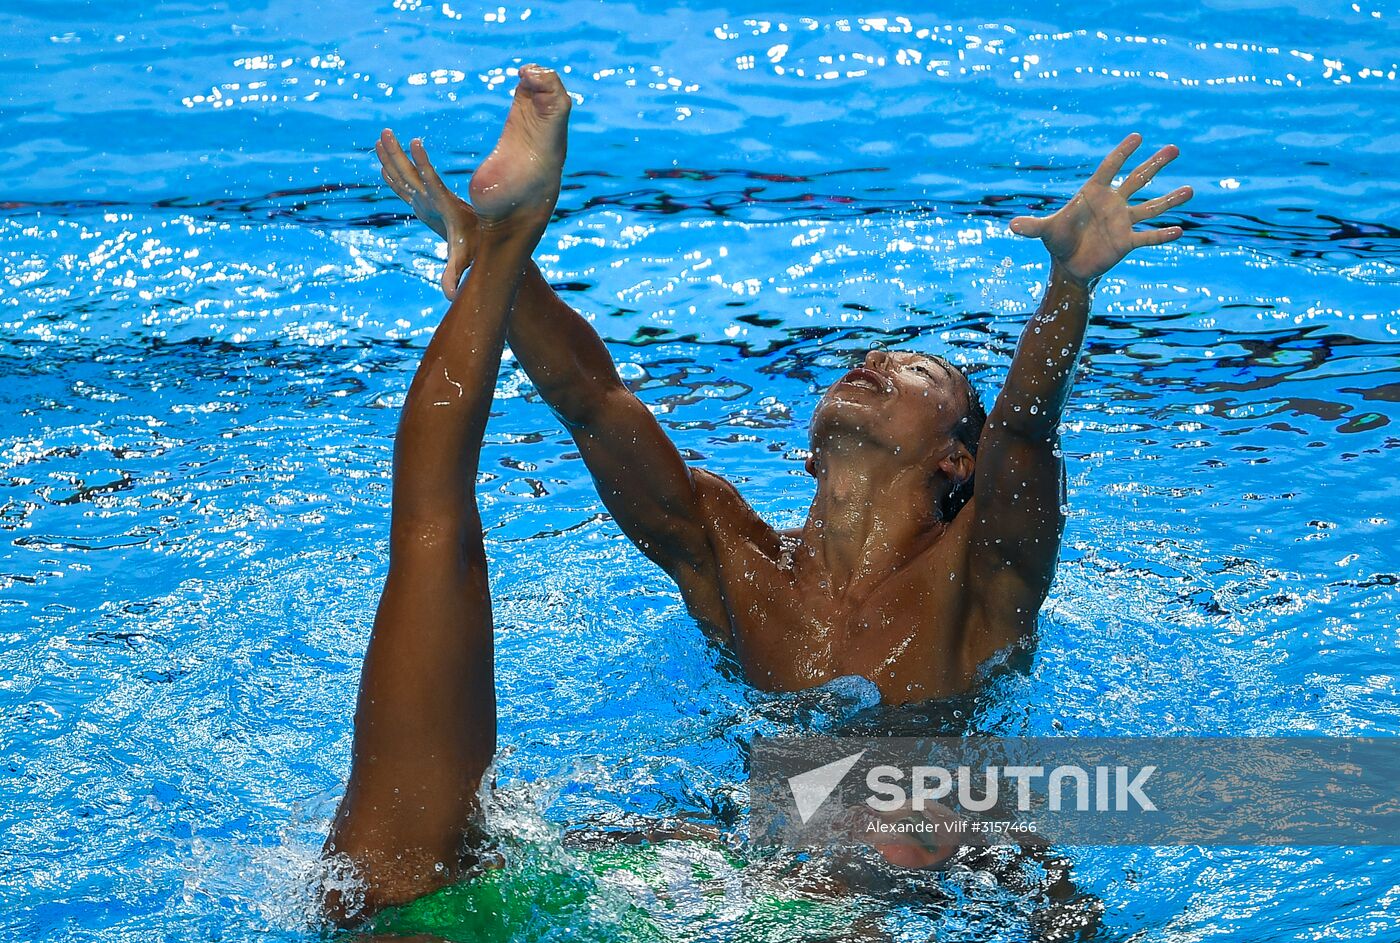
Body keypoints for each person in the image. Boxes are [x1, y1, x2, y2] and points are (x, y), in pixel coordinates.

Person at [376, 111, 1194, 706]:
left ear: (957, 458)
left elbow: (1024, 432)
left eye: (917, 369)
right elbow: (593, 401)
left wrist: (1069, 287)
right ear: (810, 455)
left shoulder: (979, 575)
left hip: (951, 864)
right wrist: (498, 262)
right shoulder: (732, 552)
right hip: (768, 848)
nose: (874, 360)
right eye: (873, 358)